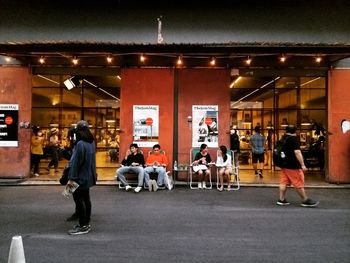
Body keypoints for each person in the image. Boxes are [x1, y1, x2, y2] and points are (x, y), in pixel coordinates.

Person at [276, 125, 319, 207]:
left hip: (284, 164)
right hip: (292, 165)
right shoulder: (293, 139)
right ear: (295, 131)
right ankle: (305, 199)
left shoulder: (283, 138)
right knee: (298, 182)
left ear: (286, 130)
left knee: (283, 182)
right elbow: (297, 152)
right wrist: (302, 165)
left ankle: (281, 199)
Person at [66, 120, 97, 235]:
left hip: (79, 177)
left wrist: (71, 178)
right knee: (86, 199)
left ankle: (83, 225)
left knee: (79, 201)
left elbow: (75, 163)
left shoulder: (80, 144)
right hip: (89, 176)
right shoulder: (92, 142)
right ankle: (86, 223)